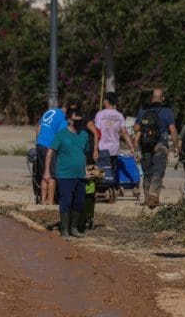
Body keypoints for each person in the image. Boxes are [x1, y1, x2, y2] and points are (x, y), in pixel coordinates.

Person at [43, 108, 90, 240]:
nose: (79, 123)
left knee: (79, 202)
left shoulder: (84, 135)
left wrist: (85, 170)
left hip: (80, 175)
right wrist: (47, 171)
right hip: (64, 175)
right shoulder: (61, 135)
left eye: (81, 120)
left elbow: (83, 154)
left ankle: (74, 228)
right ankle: (64, 230)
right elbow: (50, 152)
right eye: (76, 120)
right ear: (69, 120)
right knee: (66, 201)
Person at [133, 88, 179, 208]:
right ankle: (153, 196)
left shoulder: (143, 110)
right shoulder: (167, 111)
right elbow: (172, 129)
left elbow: (136, 128)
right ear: (163, 99)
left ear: (152, 98)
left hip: (145, 144)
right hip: (161, 145)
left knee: (147, 171)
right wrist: (176, 145)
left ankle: (147, 197)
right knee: (158, 170)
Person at [93, 92, 135, 178]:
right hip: (114, 149)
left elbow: (96, 132)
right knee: (112, 171)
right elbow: (125, 132)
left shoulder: (100, 114)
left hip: (102, 148)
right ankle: (112, 188)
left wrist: (95, 149)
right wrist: (131, 147)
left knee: (102, 174)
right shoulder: (119, 116)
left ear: (106, 101)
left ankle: (106, 189)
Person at [35, 102, 68, 204]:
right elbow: (61, 135)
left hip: (39, 145)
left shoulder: (50, 111)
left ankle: (43, 199)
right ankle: (50, 200)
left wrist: (38, 142)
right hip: (49, 147)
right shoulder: (62, 118)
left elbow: (38, 128)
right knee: (52, 174)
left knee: (44, 174)